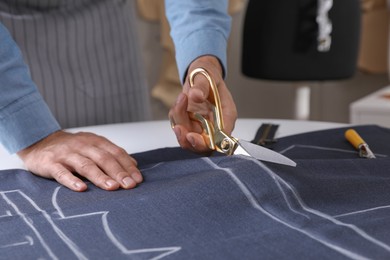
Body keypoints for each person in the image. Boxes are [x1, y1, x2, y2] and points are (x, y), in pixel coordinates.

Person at [0, 0, 237, 192]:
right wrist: (33, 137)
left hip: (106, 30)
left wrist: (203, 61)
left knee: (129, 174)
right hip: (11, 43)